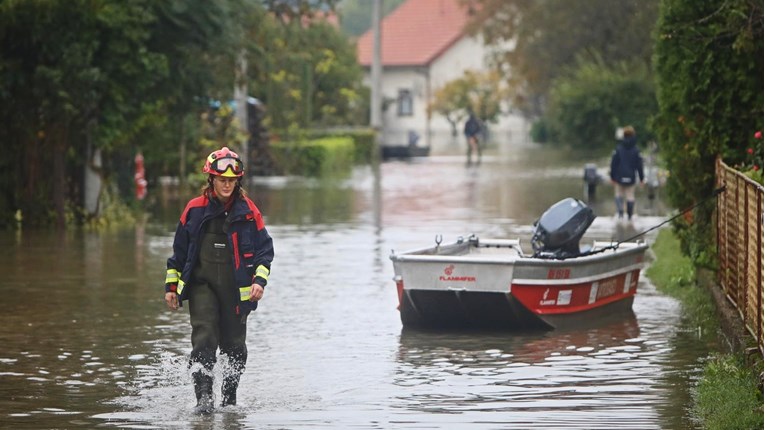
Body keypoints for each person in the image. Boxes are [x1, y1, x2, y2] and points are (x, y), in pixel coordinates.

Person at [164, 146, 274, 414]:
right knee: (204, 338)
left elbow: (265, 251)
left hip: (238, 292)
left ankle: (229, 400)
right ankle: (203, 399)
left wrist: (259, 281)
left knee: (235, 346)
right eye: (222, 179)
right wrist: (171, 287)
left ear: (238, 181)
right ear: (210, 179)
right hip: (202, 286)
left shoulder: (249, 212)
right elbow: (178, 252)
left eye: (232, 180)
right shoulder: (194, 210)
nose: (227, 184)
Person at [609, 126, 645, 220]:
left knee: (618, 194)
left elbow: (613, 164)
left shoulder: (618, 148)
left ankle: (620, 213)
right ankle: (630, 216)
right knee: (630, 196)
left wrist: (612, 177)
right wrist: (641, 178)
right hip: (631, 177)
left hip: (619, 176)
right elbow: (639, 166)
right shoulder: (636, 150)